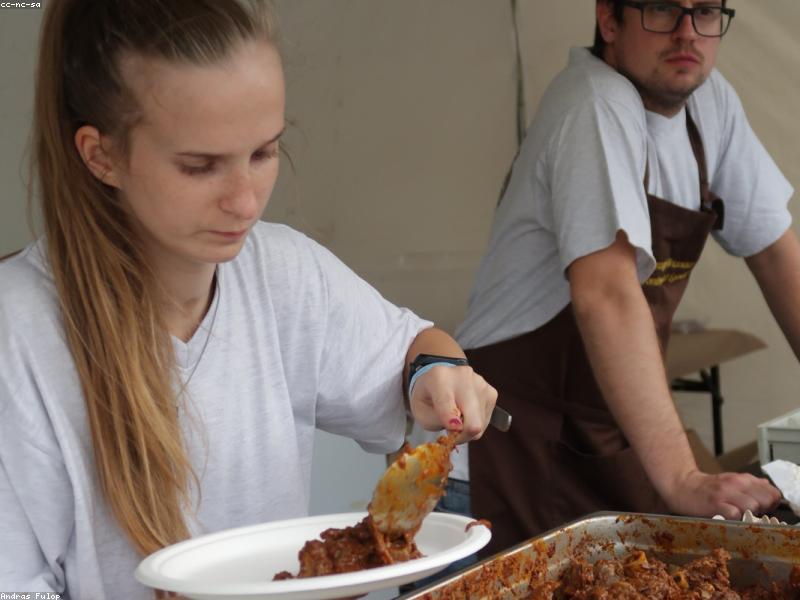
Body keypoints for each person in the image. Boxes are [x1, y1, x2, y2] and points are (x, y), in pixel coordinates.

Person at [0, 1, 498, 597]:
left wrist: (437, 371)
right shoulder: (19, 333)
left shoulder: (281, 273)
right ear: (99, 154)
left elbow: (413, 351)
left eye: (263, 153)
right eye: (199, 166)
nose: (245, 201)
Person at [456, 0, 792, 555]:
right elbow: (606, 293)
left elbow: (777, 255)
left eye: (706, 12)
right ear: (609, 19)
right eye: (663, 9)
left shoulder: (710, 104)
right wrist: (682, 478)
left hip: (599, 440)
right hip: (508, 455)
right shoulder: (593, 103)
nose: (687, 32)